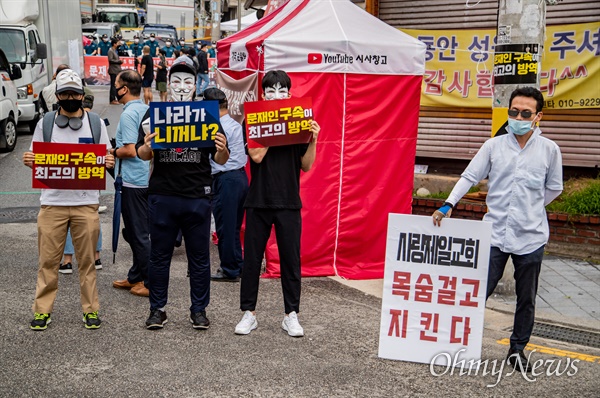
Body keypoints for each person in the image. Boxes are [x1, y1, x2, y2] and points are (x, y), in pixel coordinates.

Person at [432, 86, 563, 372]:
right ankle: (459, 344)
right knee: (478, 291)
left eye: (525, 113)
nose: (518, 117)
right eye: (513, 111)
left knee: (526, 297)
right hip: (494, 233)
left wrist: (531, 206)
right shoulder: (494, 146)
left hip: (531, 235)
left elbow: (554, 188)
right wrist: (448, 203)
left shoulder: (549, 150)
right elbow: (469, 176)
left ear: (537, 116)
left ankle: (517, 350)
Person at [136, 57, 230, 331]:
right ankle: (157, 309)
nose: (181, 86)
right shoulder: (156, 113)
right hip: (162, 195)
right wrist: (148, 145)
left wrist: (222, 147)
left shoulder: (207, 114)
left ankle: (198, 310)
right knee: (159, 256)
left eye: (187, 81)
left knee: (199, 257)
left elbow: (222, 159)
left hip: (197, 196)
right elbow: (142, 154)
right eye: (175, 81)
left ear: (196, 85)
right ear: (167, 84)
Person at [22, 69, 115, 330]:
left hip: (86, 203)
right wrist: (30, 161)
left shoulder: (95, 123)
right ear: (58, 96)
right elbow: (36, 159)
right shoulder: (46, 123)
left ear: (82, 94)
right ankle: (42, 311)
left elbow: (107, 158)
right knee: (47, 262)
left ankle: (91, 310)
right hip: (52, 204)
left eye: (75, 92)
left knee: (88, 263)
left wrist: (109, 160)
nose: (70, 97)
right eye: (65, 93)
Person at [235, 70, 320, 337]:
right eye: (271, 91)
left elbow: (306, 165)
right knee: (252, 260)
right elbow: (257, 156)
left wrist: (313, 137)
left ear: (289, 94)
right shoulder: (252, 120)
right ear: (263, 94)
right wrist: (275, 124)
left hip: (289, 201)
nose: (276, 95)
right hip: (258, 200)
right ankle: (249, 313)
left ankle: (290, 314)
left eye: (282, 91)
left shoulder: (299, 121)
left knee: (291, 260)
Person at [110, 69, 151, 297]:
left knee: (138, 234)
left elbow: (129, 150)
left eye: (116, 84)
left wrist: (112, 151)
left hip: (132, 181)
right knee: (138, 232)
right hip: (146, 178)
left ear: (124, 89)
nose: (114, 88)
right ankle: (136, 275)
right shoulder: (145, 109)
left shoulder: (128, 115)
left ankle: (149, 281)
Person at [205, 88, 248, 282]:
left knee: (226, 227)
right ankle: (237, 265)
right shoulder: (234, 123)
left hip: (225, 179)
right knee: (234, 225)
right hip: (240, 178)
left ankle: (229, 269)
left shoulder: (216, 127)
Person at [108, 37, 123, 105]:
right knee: (113, 85)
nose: (118, 44)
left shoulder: (115, 50)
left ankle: (116, 98)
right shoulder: (110, 51)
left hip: (117, 70)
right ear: (114, 44)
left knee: (116, 85)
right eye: (117, 43)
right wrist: (119, 61)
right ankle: (112, 99)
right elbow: (110, 60)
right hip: (113, 70)